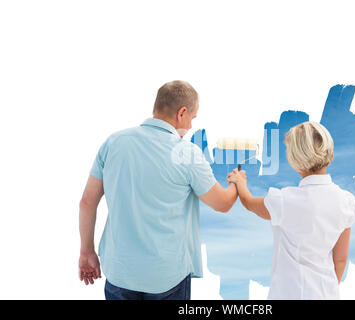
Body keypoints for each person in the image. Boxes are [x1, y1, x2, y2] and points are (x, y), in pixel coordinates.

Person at [78, 80, 238, 300]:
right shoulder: (186, 153)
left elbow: (87, 202)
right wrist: (235, 183)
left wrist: (86, 252)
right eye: (192, 117)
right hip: (166, 276)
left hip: (119, 271)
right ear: (182, 113)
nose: (191, 125)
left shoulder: (113, 143)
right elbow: (222, 203)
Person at [227, 121, 355, 299]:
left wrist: (240, 182)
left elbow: (249, 202)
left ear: (296, 162)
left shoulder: (284, 201)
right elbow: (340, 259)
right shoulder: (347, 202)